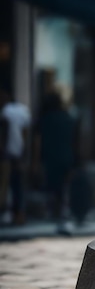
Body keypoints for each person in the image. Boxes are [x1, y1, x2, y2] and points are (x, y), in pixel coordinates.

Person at [34, 90, 79, 234]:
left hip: (49, 156)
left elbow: (37, 141)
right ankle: (61, 213)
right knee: (63, 187)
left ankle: (52, 212)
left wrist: (35, 160)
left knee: (51, 185)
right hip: (66, 156)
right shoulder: (68, 118)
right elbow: (75, 140)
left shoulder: (44, 118)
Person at [0, 88, 31, 225]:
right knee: (17, 185)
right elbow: (26, 133)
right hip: (17, 152)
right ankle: (18, 214)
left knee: (9, 185)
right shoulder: (22, 110)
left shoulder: (7, 111)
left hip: (8, 154)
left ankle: (15, 214)